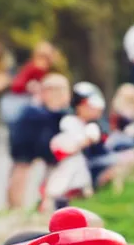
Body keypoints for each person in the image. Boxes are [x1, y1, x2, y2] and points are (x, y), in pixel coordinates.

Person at [6, 73, 71, 209]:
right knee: (21, 171)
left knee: (52, 171)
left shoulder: (58, 112)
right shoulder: (33, 111)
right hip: (26, 144)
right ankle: (15, 206)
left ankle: (42, 203)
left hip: (47, 146)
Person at [39, 82, 105, 212]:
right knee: (59, 186)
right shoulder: (68, 123)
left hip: (77, 168)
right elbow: (64, 147)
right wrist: (85, 140)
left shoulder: (89, 125)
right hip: (65, 166)